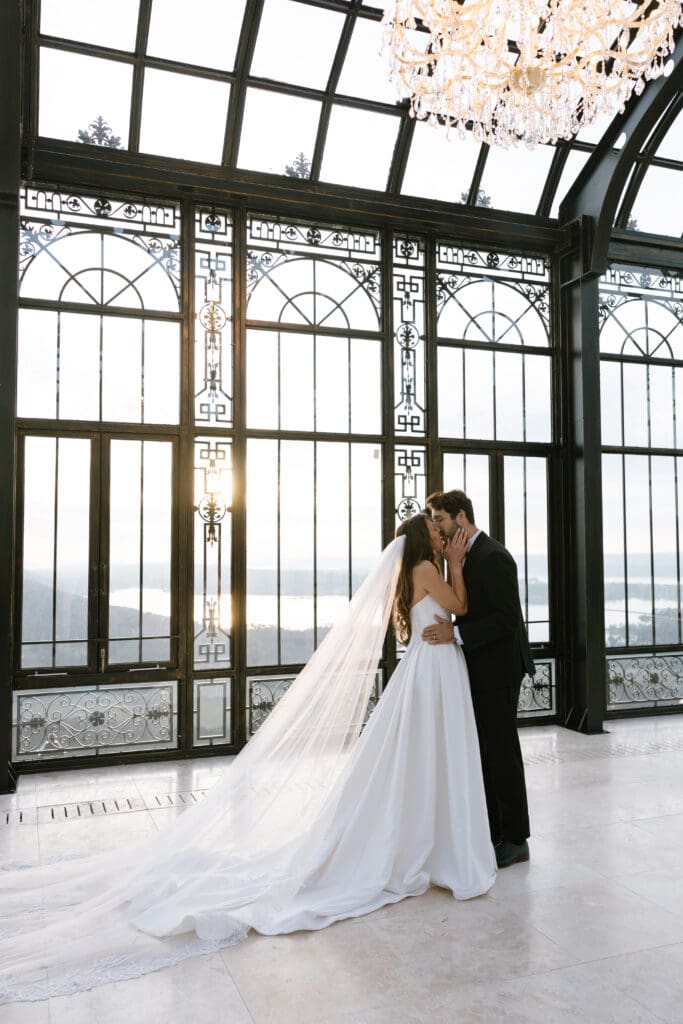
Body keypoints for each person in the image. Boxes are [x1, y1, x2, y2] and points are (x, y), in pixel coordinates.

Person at [0, 514, 495, 1005]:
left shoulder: (417, 569)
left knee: (423, 758)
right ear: (419, 539)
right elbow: (461, 606)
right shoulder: (428, 570)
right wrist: (454, 563)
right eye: (433, 529)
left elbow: (451, 613)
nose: (440, 532)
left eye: (442, 529)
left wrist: (448, 573)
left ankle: (429, 837)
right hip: (433, 671)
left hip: (432, 669)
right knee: (427, 756)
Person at [423, 490, 534, 869]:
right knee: (485, 749)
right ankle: (494, 831)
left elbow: (506, 620)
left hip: (500, 668)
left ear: (461, 516)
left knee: (502, 751)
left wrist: (455, 634)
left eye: (439, 519)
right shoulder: (459, 557)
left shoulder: (494, 556)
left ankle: (516, 840)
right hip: (479, 665)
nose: (435, 527)